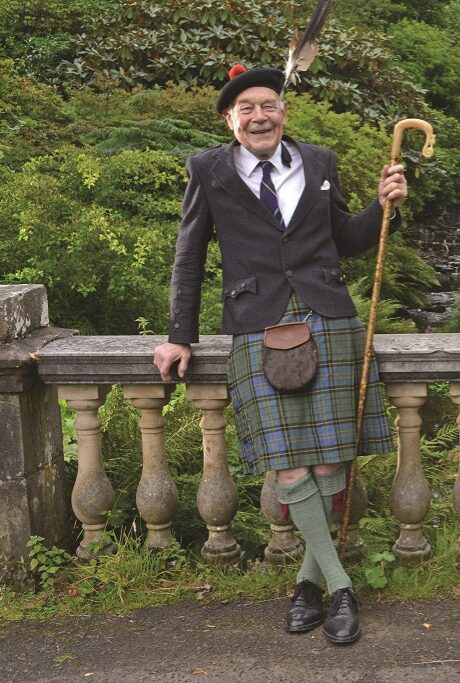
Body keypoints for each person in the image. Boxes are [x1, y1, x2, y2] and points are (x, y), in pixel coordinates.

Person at [153, 65, 407, 645]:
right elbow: (188, 257)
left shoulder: (319, 162)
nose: (259, 115)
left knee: (329, 463)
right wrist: (178, 335)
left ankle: (307, 586)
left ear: (284, 112)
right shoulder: (208, 170)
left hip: (329, 317)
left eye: (267, 104)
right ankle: (339, 586)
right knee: (289, 464)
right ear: (230, 120)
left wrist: (383, 205)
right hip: (257, 323)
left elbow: (346, 239)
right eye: (246, 109)